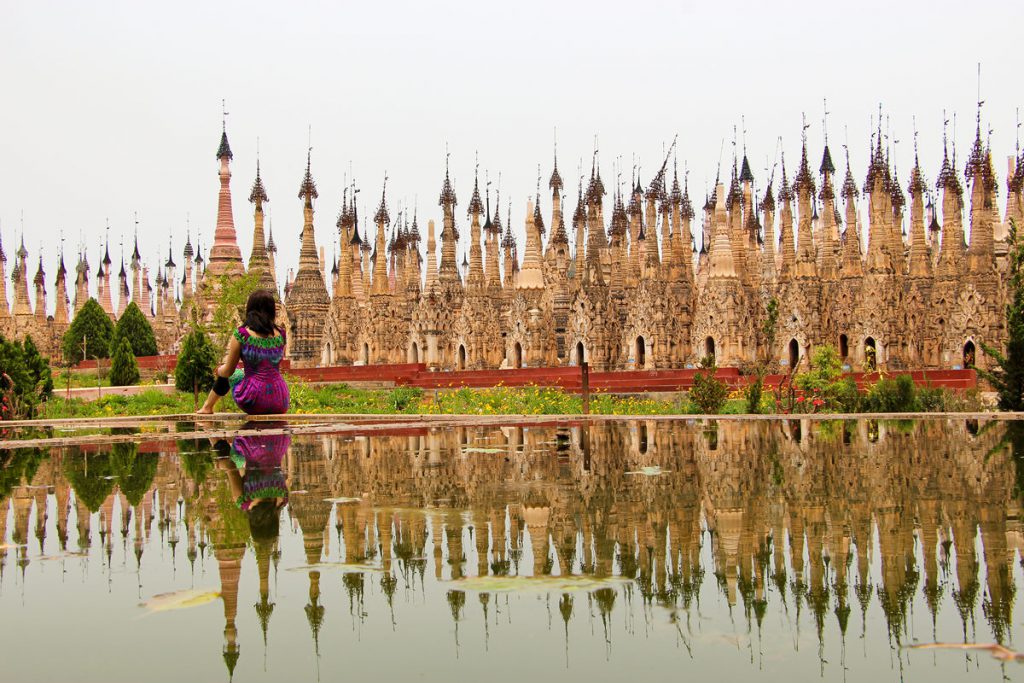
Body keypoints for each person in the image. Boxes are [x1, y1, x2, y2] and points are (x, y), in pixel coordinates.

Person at [197, 289, 290, 415]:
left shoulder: (242, 335)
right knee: (241, 372)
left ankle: (207, 407)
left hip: (255, 398)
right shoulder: (281, 335)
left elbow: (228, 371)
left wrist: (219, 370)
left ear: (250, 310)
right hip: (281, 398)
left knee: (234, 373)